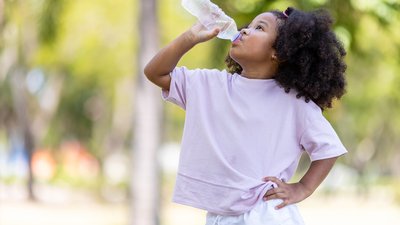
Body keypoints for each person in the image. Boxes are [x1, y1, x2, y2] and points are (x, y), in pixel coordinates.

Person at [145, 6, 347, 225]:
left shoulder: (294, 103)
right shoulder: (210, 86)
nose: (245, 31)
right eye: (248, 26)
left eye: (259, 28)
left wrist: (303, 188)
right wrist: (190, 37)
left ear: (278, 51)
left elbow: (328, 149)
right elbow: (155, 72)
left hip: (267, 214)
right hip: (219, 216)